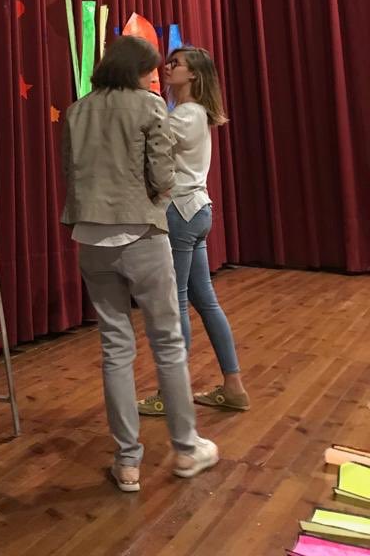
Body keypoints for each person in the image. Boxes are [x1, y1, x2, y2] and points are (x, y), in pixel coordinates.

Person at [62, 35, 219, 492]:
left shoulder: (77, 110)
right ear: (137, 71)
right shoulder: (150, 107)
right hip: (142, 233)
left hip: (89, 238)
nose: (157, 77)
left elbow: (70, 172)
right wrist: (157, 198)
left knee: (115, 347)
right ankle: (186, 449)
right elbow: (162, 174)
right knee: (167, 341)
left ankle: (127, 462)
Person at [138, 47, 250, 416]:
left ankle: (172, 395)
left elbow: (145, 137)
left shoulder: (185, 115)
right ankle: (233, 387)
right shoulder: (192, 113)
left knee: (177, 304)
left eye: (176, 64)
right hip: (196, 212)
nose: (167, 68)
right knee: (204, 301)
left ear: (195, 75)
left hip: (181, 214)